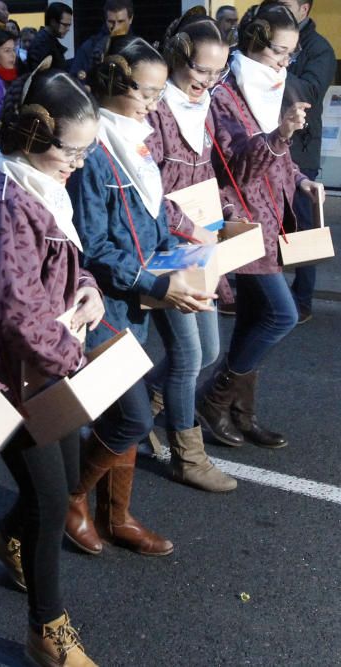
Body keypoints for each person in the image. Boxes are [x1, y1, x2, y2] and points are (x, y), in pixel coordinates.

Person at [0, 63, 101, 667]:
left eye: (87, 150)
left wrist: (91, 288)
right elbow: (16, 313)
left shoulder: (45, 187)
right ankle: (47, 631)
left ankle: (1, 538)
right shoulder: (3, 203)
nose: (80, 162)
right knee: (50, 501)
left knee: (61, 483)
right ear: (33, 137)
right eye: (73, 150)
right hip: (17, 377)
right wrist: (75, 353)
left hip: (53, 367)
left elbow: (67, 261)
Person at [66, 36, 214, 557]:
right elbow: (94, 245)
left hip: (136, 299)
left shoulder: (136, 137)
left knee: (119, 415)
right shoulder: (94, 151)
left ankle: (116, 514)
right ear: (114, 84)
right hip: (103, 305)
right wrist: (157, 283)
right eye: (148, 93)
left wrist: (186, 234)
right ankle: (68, 498)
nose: (156, 103)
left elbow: (152, 213)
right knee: (132, 415)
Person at [198, 1, 321, 449]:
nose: (286, 62)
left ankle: (242, 413)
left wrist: (304, 181)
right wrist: (281, 134)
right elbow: (236, 170)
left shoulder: (271, 85)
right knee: (281, 314)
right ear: (253, 42)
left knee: (255, 318)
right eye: (279, 53)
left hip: (274, 219)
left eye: (290, 53)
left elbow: (280, 162)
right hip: (241, 222)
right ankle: (213, 398)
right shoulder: (225, 93)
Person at [141, 8, 237, 492]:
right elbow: (146, 190)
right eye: (201, 69)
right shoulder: (155, 109)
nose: (209, 80)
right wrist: (188, 227)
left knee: (210, 349)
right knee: (187, 353)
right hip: (163, 247)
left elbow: (203, 175)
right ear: (178, 57)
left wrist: (224, 211)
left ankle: (136, 412)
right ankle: (187, 455)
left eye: (218, 71)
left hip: (198, 242)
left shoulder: (204, 107)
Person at [280, 0, 335, 323]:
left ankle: (303, 298)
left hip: (301, 148)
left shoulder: (320, 49)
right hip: (272, 142)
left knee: (304, 226)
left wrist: (271, 74)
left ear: (305, 9)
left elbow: (311, 90)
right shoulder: (272, 38)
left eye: (287, 3)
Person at [71, 0, 135, 83]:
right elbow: (74, 80)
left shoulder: (140, 48)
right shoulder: (89, 47)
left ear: (131, 19)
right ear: (105, 20)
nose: (116, 27)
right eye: (111, 22)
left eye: (121, 21)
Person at [28, 3, 73, 72]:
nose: (68, 29)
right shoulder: (41, 43)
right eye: (65, 25)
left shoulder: (49, 41)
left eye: (69, 25)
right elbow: (37, 76)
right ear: (53, 22)